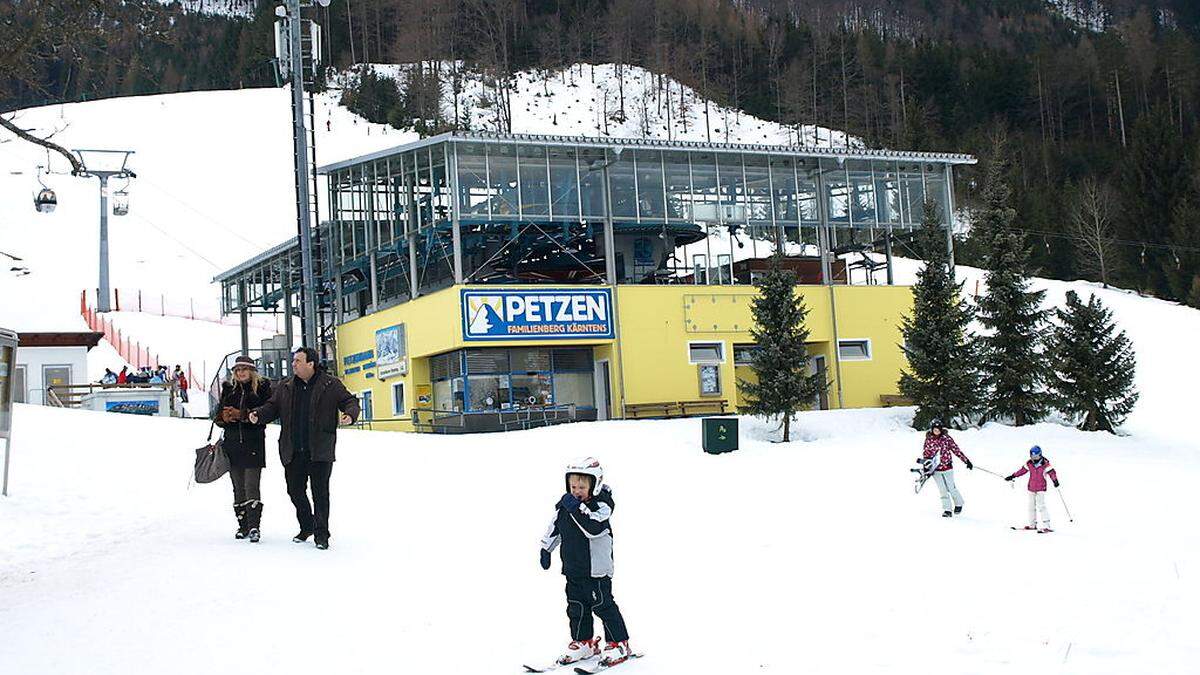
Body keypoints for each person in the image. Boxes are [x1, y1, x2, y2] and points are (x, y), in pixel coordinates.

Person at [249, 347, 358, 550]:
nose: (293, 364)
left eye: (298, 361)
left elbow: (349, 401)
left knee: (320, 494)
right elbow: (272, 407)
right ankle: (307, 525)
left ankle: (322, 534)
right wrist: (258, 414)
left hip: (320, 450)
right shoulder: (286, 386)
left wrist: (350, 414)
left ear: (311, 364)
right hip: (293, 450)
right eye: (294, 361)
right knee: (295, 490)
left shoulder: (330, 384)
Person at [539, 457, 633, 668]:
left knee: (603, 605)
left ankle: (618, 641)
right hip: (573, 569)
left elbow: (591, 528)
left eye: (582, 486)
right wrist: (546, 548)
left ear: (595, 484)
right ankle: (584, 641)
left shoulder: (602, 507)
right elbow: (555, 527)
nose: (577, 491)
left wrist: (575, 509)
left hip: (596, 571)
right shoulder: (567, 506)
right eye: (573, 486)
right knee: (576, 607)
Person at [213, 355, 272, 542]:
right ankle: (242, 525)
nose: (240, 373)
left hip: (253, 443)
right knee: (237, 487)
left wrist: (244, 415)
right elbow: (217, 417)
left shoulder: (262, 389)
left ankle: (254, 526)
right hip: (232, 444)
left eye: (244, 370)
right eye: (237, 370)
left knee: (251, 485)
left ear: (252, 371)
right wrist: (224, 417)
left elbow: (267, 414)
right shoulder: (229, 390)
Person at [919, 418, 973, 517]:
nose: (936, 431)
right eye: (934, 429)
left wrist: (966, 460)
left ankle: (959, 503)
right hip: (936, 469)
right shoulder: (929, 440)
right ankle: (947, 509)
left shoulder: (946, 438)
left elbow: (956, 450)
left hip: (947, 467)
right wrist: (926, 466)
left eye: (938, 429)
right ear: (931, 429)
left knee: (951, 487)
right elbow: (926, 454)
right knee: (942, 490)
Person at [1006, 445, 1061, 533]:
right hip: (1031, 488)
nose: (1034, 458)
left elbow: (1052, 473)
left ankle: (1046, 525)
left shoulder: (1045, 464)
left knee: (1041, 506)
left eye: (1036, 456)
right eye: (1032, 456)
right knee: (1031, 507)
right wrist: (1013, 476)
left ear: (1040, 455)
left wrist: (1055, 481)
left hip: (1041, 488)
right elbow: (1022, 471)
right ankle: (1032, 524)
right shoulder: (1029, 463)